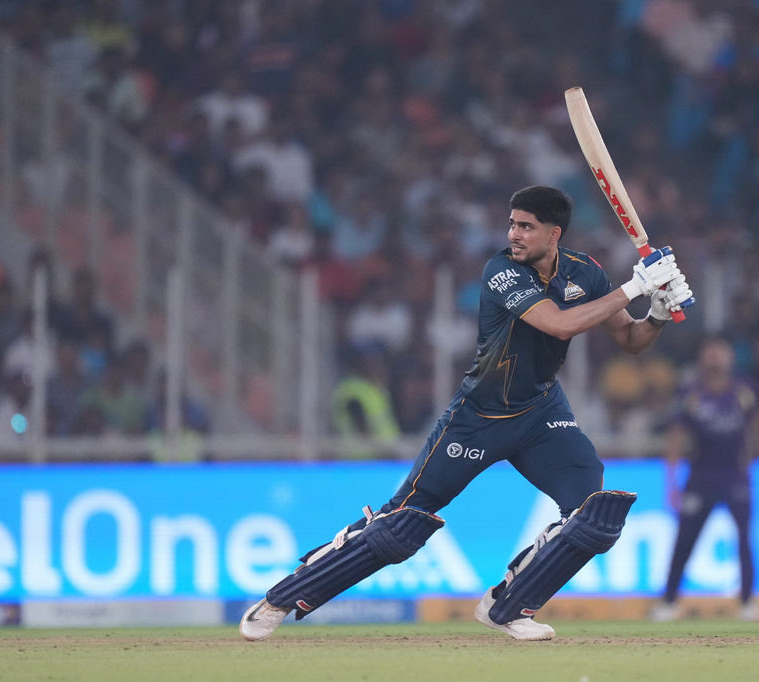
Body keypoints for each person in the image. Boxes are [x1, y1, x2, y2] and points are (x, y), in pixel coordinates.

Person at [240, 186, 694, 641]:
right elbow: (560, 323)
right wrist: (636, 286)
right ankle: (281, 598)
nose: (513, 233)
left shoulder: (585, 272)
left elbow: (631, 342)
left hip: (540, 412)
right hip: (479, 417)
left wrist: (653, 311)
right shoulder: (501, 271)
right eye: (512, 223)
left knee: (593, 516)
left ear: (554, 234)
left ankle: (509, 608)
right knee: (399, 527)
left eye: (525, 226)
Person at [647, 336, 759, 623]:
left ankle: (747, 602)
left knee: (744, 540)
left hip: (737, 477)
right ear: (701, 358)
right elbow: (676, 436)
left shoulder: (746, 390)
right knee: (684, 541)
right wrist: (671, 482)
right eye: (708, 351)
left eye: (719, 351)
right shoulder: (690, 392)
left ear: (731, 356)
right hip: (700, 478)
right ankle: (669, 602)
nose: (714, 357)